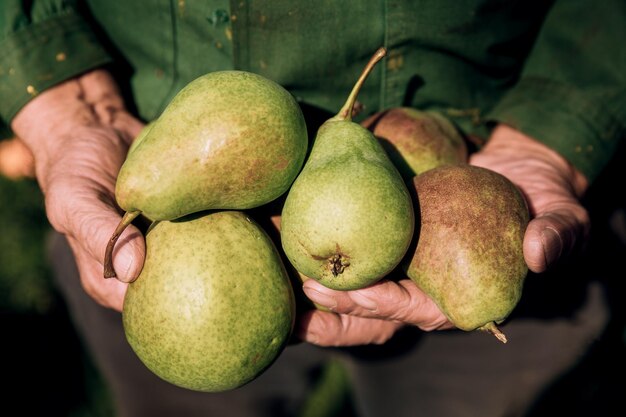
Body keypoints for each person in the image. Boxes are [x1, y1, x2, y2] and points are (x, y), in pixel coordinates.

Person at [1, 1, 624, 416]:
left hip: (471, 163)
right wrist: (70, 105)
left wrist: (555, 131)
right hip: (138, 148)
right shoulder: (147, 184)